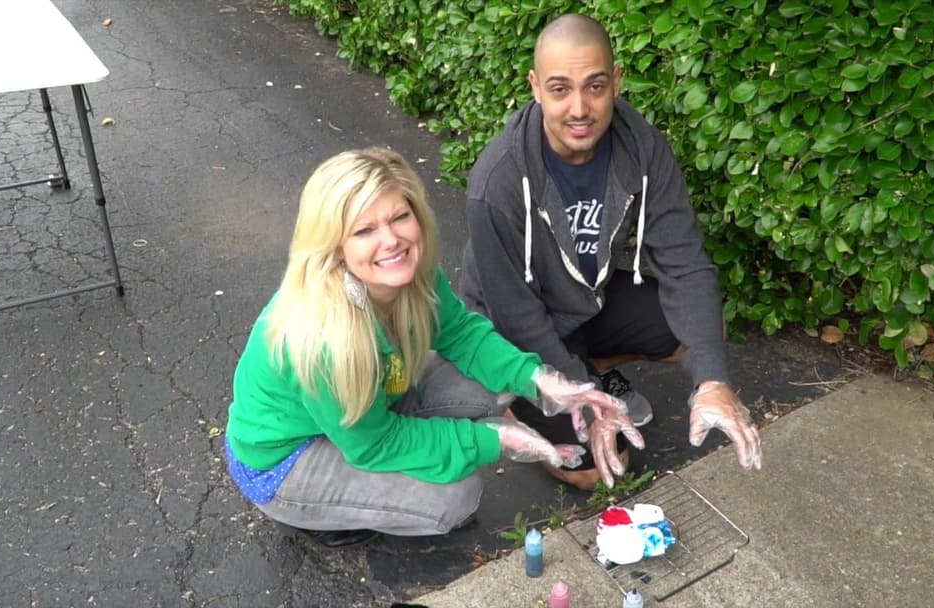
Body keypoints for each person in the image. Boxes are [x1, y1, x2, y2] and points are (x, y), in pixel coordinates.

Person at [224, 147, 642, 548]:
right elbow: (374, 444)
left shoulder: (411, 272)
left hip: (362, 409)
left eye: (399, 217)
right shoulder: (323, 339)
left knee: (497, 380)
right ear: (334, 248)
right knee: (454, 500)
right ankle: (307, 512)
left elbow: (460, 332)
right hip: (289, 457)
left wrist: (543, 380)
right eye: (364, 230)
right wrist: (494, 439)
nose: (391, 241)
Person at [460, 14, 762, 490]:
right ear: (536, 88)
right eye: (560, 89)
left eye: (595, 87)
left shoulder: (641, 147)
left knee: (701, 331)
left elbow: (685, 263)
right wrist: (580, 397)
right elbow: (516, 316)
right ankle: (519, 403)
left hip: (585, 301)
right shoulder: (496, 181)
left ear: (616, 82)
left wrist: (713, 382)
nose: (579, 108)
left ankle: (590, 372)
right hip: (514, 331)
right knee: (597, 473)